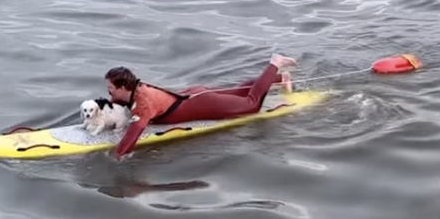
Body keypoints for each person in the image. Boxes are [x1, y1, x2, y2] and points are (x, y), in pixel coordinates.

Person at [105, 53, 297, 160]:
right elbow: (114, 103)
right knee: (240, 92)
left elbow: (131, 138)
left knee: (251, 104)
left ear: (123, 87)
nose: (109, 92)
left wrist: (115, 157)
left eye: (110, 88)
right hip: (193, 95)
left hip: (202, 103)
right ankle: (281, 78)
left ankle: (275, 63)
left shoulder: (143, 104)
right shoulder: (131, 90)